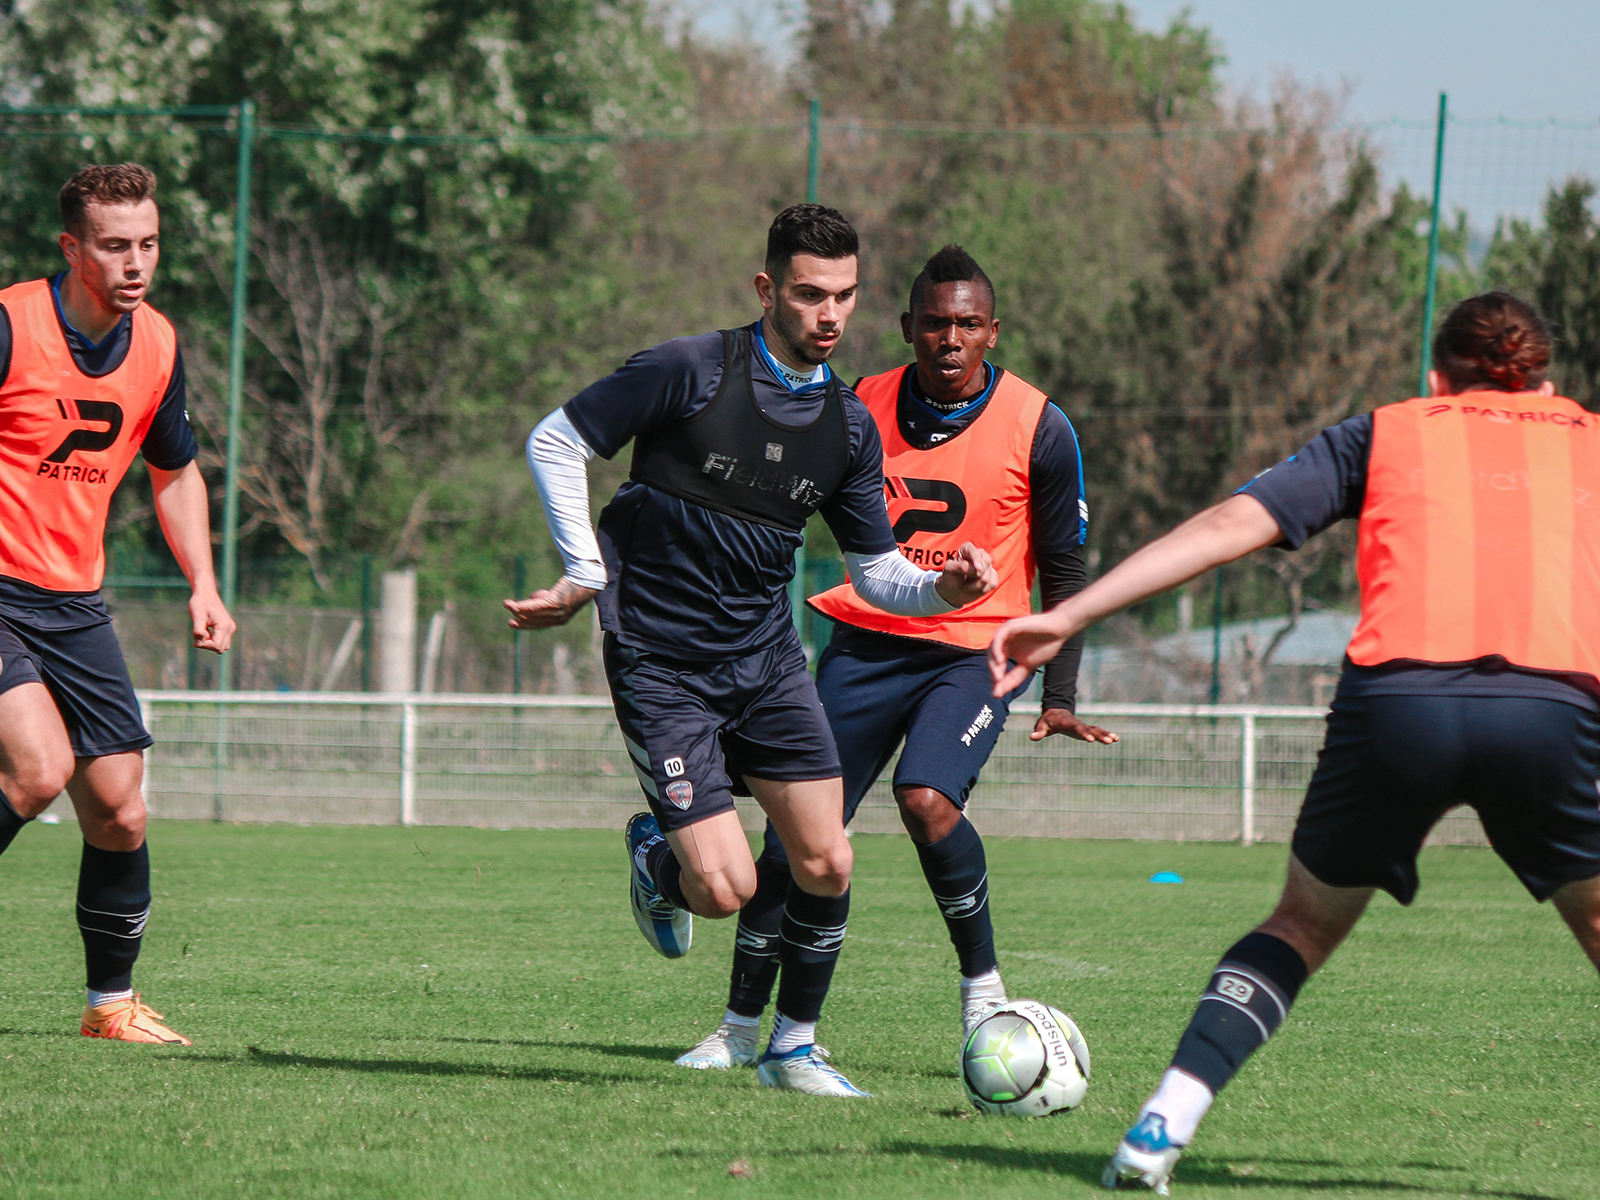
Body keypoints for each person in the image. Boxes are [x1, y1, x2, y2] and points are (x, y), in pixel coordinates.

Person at [988, 292, 1600, 1194]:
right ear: (1545, 383)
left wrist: (1072, 611)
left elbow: (1233, 525)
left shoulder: (1389, 430)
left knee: (1300, 928)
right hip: (1552, 705)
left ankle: (1162, 1127)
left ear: (1436, 380)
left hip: (1400, 700)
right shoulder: (1585, 435)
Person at [511, 206, 997, 1097]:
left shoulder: (849, 428)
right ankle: (659, 857)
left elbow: (878, 572)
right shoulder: (688, 370)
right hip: (660, 661)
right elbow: (556, 438)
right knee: (727, 889)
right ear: (768, 288)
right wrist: (584, 568)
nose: (830, 316)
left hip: (765, 661)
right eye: (811, 294)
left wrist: (942, 592)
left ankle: (793, 1049)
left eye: (845, 297)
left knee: (827, 859)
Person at [673, 244, 1117, 1074]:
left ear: (993, 331)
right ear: (909, 327)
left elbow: (1065, 567)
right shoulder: (856, 407)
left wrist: (1060, 692)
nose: (952, 339)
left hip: (976, 653)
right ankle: (740, 1031)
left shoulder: (1040, 425)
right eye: (937, 324)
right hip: (866, 645)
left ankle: (981, 987)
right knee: (795, 843)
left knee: (925, 797)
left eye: (969, 325)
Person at [0, 164, 235, 1045]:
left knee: (120, 808)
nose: (135, 262)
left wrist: (202, 582)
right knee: (37, 769)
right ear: (72, 247)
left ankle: (110, 1009)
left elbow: (173, 471)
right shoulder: (10, 324)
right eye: (114, 245)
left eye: (148, 243)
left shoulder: (158, 343)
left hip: (74, 602)